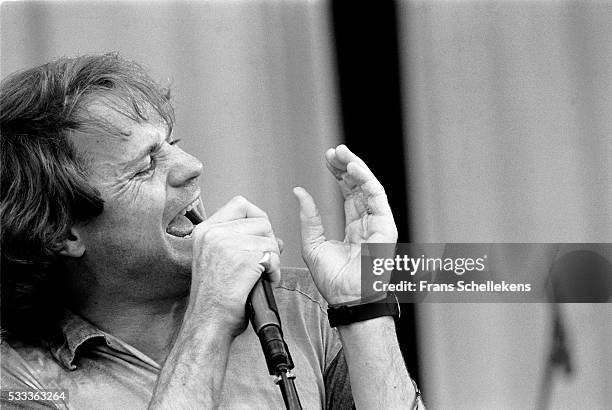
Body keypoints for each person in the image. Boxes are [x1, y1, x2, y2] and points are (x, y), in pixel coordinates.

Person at [0, 54, 423, 409]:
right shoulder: (17, 375)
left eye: (171, 142)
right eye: (146, 165)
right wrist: (209, 321)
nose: (190, 167)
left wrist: (360, 305)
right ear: (63, 233)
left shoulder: (303, 308)